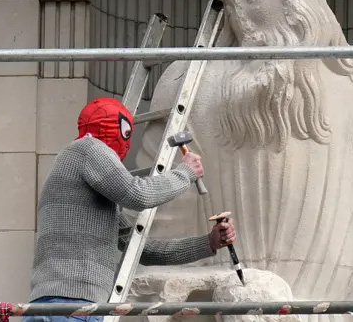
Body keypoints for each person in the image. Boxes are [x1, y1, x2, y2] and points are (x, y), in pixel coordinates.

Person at [24, 97, 236, 322]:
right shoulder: (89, 148)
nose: (127, 143)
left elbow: (142, 250)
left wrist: (209, 243)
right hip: (73, 307)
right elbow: (139, 194)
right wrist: (185, 172)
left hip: (58, 305)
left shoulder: (78, 166)